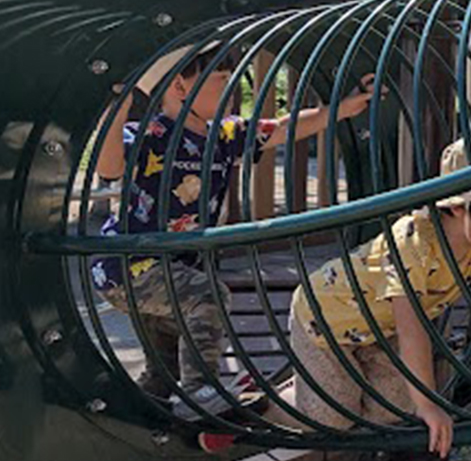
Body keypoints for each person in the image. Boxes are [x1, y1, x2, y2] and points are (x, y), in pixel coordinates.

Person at [90, 43, 378, 417]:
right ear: (180, 86)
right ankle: (201, 391)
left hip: (170, 271)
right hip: (128, 265)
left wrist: (341, 109)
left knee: (164, 370)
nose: (233, 89)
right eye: (222, 79)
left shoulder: (224, 136)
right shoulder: (152, 135)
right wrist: (119, 108)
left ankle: (141, 418)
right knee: (207, 296)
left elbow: (283, 128)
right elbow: (109, 166)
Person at [287, 131, 471, 459]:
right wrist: (431, 404)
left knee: (393, 409)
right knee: (331, 419)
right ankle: (279, 405)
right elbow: (412, 327)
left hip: (379, 331)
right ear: (461, 207)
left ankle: (314, 389)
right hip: (324, 322)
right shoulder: (414, 242)